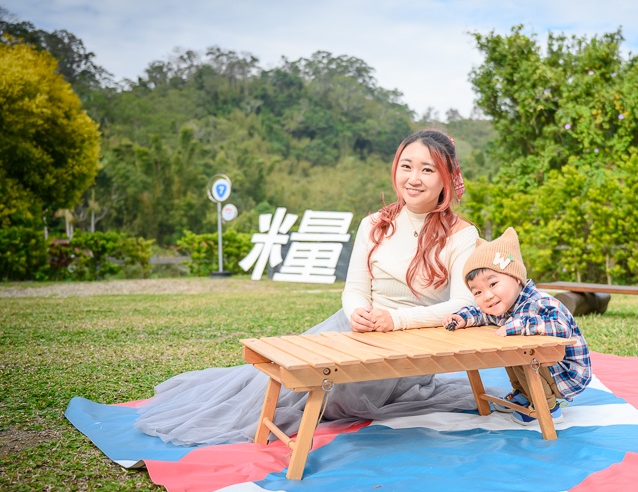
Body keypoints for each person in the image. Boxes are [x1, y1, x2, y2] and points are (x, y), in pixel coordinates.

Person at [135, 130, 490, 445]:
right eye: (406, 166)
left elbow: (461, 306)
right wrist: (359, 314)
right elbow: (353, 289)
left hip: (409, 339)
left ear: (447, 177)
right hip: (353, 327)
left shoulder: (462, 235)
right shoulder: (374, 224)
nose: (414, 178)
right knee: (285, 385)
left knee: (339, 399)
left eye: (427, 169)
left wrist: (394, 321)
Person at [442, 227, 592, 425]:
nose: (486, 296)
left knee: (519, 350)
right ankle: (524, 392)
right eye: (477, 292)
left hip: (567, 372)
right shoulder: (505, 304)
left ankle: (547, 406)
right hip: (550, 367)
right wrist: (463, 318)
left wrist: (516, 326)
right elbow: (482, 314)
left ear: (515, 278)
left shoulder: (540, 302)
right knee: (508, 347)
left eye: (493, 284)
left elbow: (561, 328)